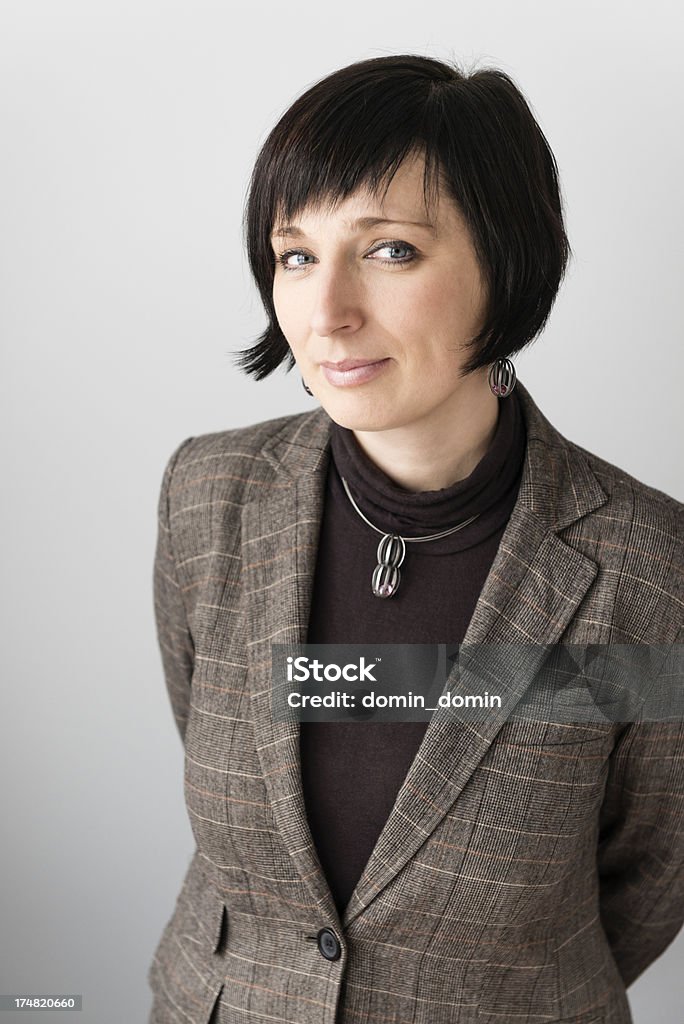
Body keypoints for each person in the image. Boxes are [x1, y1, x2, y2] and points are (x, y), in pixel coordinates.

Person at [146, 54, 683, 1024]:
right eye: (297, 254)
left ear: (507, 257)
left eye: (390, 249)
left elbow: (651, 869)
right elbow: (216, 749)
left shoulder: (649, 570)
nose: (328, 312)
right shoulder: (206, 497)